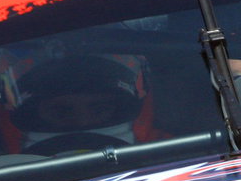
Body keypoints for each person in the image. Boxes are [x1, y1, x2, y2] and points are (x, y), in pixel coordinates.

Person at [8, 56, 146, 153]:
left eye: (99, 109)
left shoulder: (164, 155)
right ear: (32, 116)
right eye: (61, 111)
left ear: (122, 109)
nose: (82, 121)